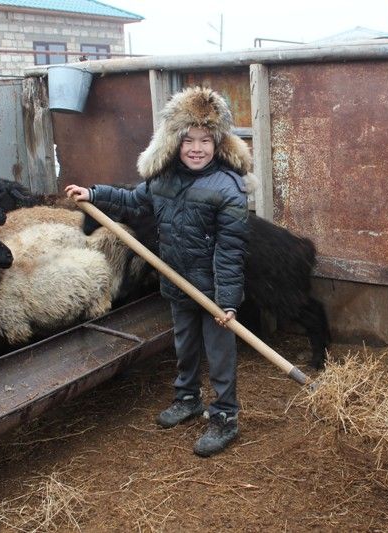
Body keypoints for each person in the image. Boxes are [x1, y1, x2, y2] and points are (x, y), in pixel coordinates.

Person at [65, 86, 257, 457]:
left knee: (219, 355)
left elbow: (230, 251)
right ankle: (187, 398)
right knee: (184, 347)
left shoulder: (228, 189)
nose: (196, 148)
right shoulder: (163, 179)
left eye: (205, 140)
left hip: (213, 292)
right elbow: (131, 199)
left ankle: (225, 416)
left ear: (218, 144)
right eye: (189, 140)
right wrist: (93, 194)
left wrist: (227, 301)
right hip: (176, 283)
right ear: (175, 142)